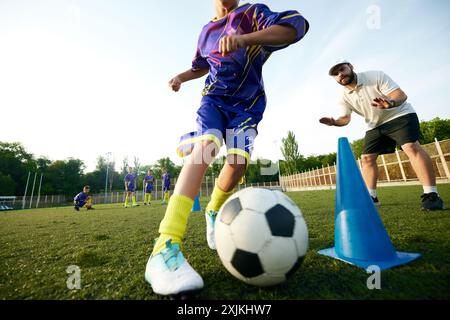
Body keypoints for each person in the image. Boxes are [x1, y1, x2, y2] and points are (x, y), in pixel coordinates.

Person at [144, 0, 309, 297]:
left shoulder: (252, 13)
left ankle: (213, 210)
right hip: (214, 100)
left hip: (247, 105)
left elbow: (295, 28)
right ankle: (164, 247)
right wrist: (182, 77)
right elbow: (201, 65)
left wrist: (245, 39)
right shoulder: (206, 31)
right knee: (207, 147)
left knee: (237, 164)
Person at [320, 60, 444, 211]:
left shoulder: (375, 76)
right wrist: (334, 122)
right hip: (375, 125)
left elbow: (400, 95)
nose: (340, 74)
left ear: (351, 67)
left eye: (342, 69)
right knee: (366, 159)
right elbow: (345, 118)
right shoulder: (343, 97)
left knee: (410, 147)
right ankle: (371, 197)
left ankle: (432, 195)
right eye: (336, 73)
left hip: (399, 115)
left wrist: (390, 103)